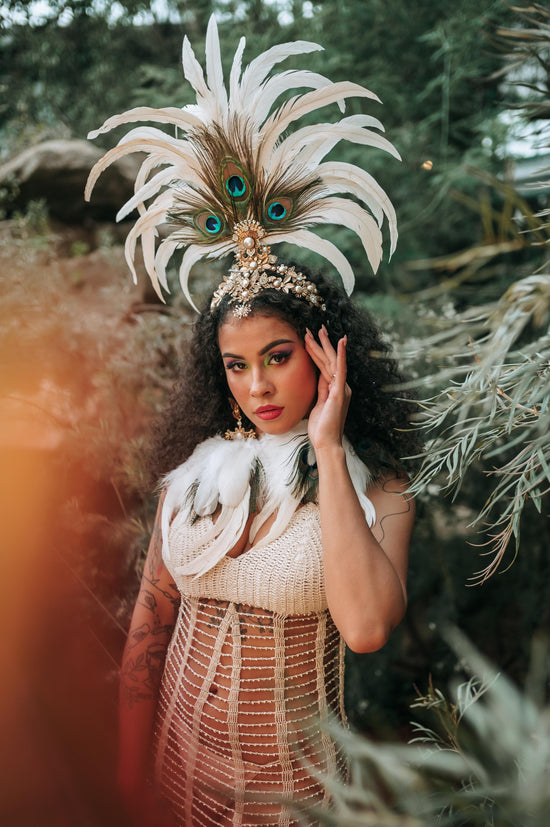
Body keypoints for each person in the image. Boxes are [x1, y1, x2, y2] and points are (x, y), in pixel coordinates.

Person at [85, 15, 417, 827]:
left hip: (301, 797)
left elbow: (368, 626)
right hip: (176, 772)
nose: (258, 383)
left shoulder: (381, 487)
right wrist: (131, 774)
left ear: (323, 353)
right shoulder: (194, 480)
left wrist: (329, 449)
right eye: (237, 364)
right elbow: (146, 634)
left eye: (277, 356)